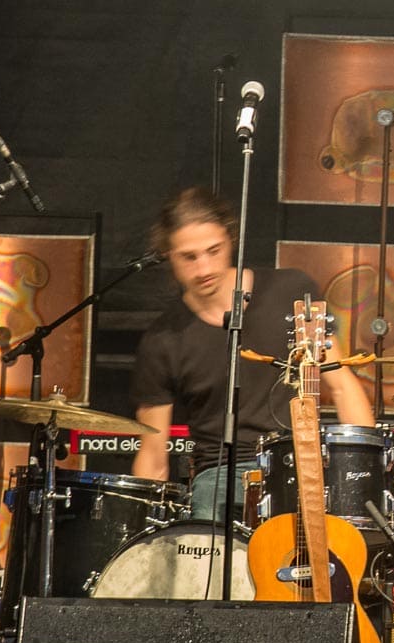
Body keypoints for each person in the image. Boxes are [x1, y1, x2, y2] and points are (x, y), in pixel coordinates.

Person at [129, 186, 375, 523]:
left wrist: (364, 476)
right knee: (207, 515)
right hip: (218, 475)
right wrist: (141, 529)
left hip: (296, 462)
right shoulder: (162, 340)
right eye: (189, 257)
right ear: (167, 255)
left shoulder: (290, 291)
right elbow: (153, 456)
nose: (203, 268)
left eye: (213, 251)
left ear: (230, 239)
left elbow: (342, 386)